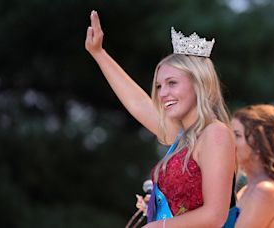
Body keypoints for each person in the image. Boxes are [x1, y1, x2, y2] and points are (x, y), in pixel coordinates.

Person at [85, 10, 236, 228]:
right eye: (159, 86)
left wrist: (158, 226)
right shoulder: (183, 136)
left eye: (172, 83)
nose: (162, 93)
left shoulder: (215, 133)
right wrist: (99, 54)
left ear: (199, 84)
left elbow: (215, 216)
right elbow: (139, 104)